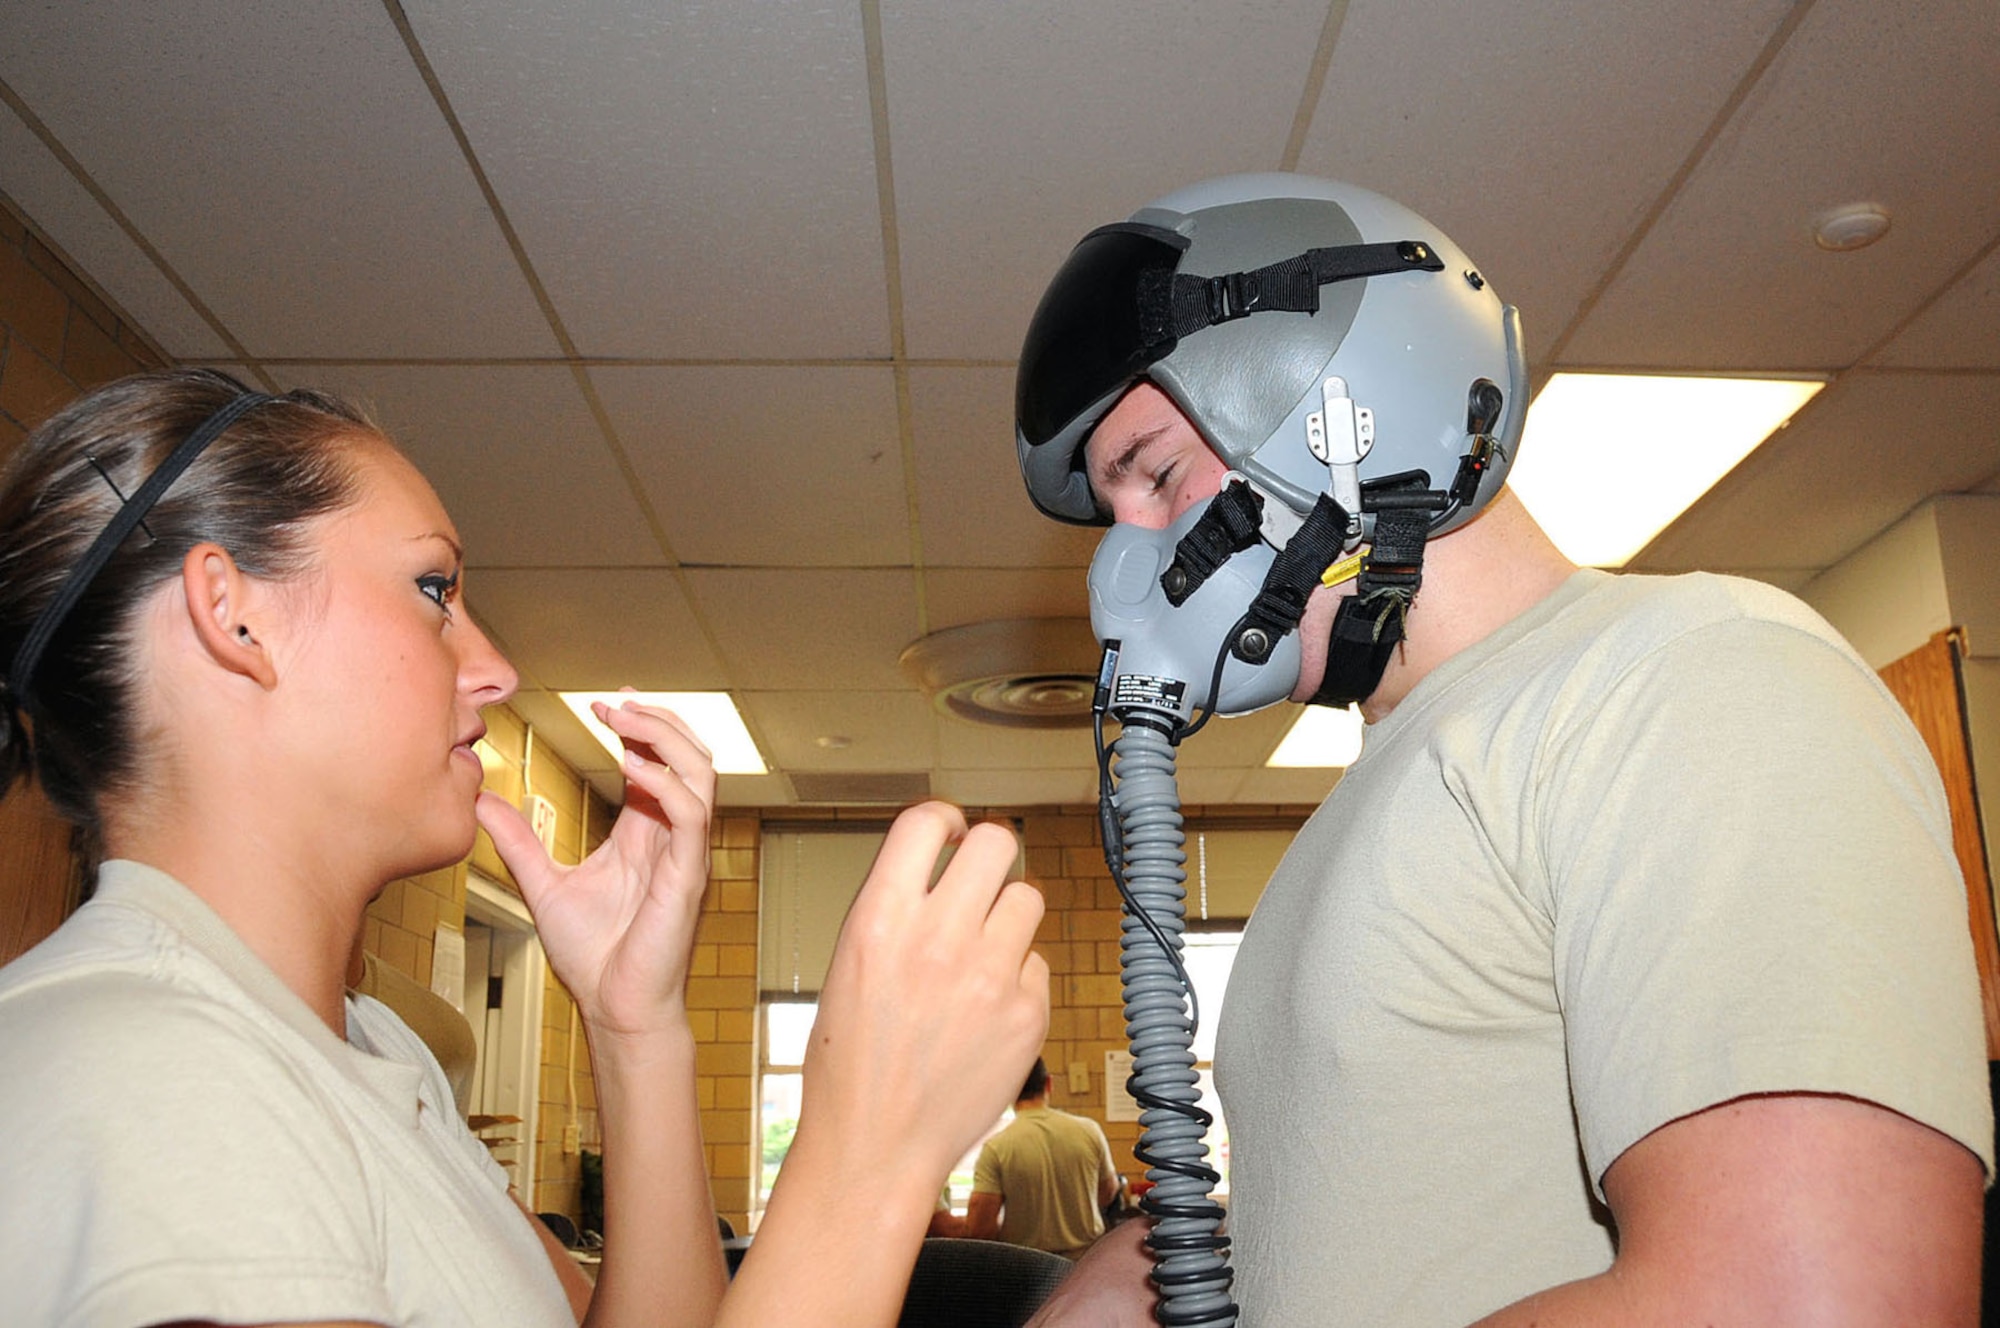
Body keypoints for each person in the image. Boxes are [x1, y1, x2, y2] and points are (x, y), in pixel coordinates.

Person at [1012, 174, 1993, 1325]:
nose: (1124, 571)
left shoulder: (1691, 675)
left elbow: (1814, 1299)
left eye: (1161, 475)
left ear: (1347, 406)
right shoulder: (1371, 803)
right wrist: (1169, 1264)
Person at [0, 367, 1050, 1327]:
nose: (495, 666)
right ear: (233, 616)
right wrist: (867, 1156)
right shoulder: (140, 1063)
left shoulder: (373, 1052)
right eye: (434, 590)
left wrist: (632, 1020)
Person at [964, 1056, 1119, 1259]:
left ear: (1009, 1090)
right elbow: (1108, 1191)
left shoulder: (997, 1147)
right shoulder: (1089, 1131)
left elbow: (980, 1228)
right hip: (1084, 1266)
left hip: (1028, 1268)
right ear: (1049, 1083)